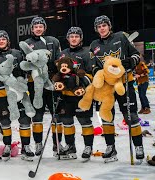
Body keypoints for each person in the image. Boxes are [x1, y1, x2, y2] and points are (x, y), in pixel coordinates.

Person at [90, 15, 144, 163]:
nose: (102, 28)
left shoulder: (121, 37)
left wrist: (130, 62)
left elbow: (136, 55)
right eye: (99, 26)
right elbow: (93, 65)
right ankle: (110, 147)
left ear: (109, 26)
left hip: (124, 82)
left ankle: (138, 146)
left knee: (131, 116)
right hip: (106, 87)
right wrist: (97, 73)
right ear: (96, 29)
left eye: (104, 25)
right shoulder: (94, 44)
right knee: (107, 118)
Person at [0, 30, 34, 161]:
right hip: (1, 93)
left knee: (24, 120)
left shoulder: (18, 54)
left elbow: (26, 69)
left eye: (3, 39)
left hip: (19, 92)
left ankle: (26, 147)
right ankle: (7, 145)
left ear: (8, 40)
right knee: (5, 121)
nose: (1, 41)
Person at [24, 16, 63, 156]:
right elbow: (25, 65)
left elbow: (59, 60)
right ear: (32, 28)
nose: (38, 28)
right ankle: (38, 143)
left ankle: (57, 143)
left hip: (51, 82)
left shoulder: (53, 41)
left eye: (41, 26)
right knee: (37, 116)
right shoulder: (27, 43)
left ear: (44, 28)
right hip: (35, 85)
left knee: (56, 115)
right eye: (36, 26)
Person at [57, 27, 94, 161]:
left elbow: (91, 73)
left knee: (84, 121)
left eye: (76, 36)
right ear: (67, 39)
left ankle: (88, 146)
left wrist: (81, 81)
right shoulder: (62, 54)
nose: (74, 38)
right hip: (65, 95)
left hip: (81, 95)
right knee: (67, 121)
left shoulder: (86, 53)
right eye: (71, 36)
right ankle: (70, 146)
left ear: (81, 38)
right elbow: (58, 72)